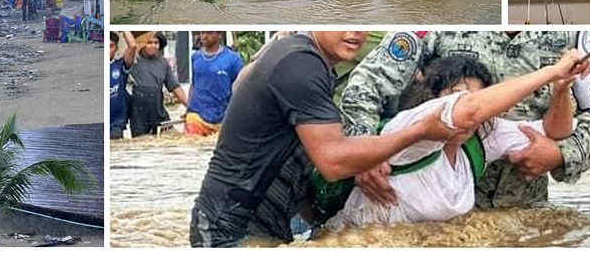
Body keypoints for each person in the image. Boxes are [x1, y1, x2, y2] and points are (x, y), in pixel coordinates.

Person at [190, 32, 466, 247]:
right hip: (229, 226)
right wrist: (418, 132)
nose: (354, 32)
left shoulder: (305, 59)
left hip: (262, 220)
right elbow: (333, 162)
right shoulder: (301, 63)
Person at [340, 31, 590, 209]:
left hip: (524, 206)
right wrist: (365, 152)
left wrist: (560, 154)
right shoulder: (439, 23)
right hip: (427, 201)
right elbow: (366, 85)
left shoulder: (573, 37)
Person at [322, 51, 589, 229]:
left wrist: (562, 87)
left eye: (477, 96)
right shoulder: (413, 125)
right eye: (456, 94)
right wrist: (552, 71)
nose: (470, 109)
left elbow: (555, 132)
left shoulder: (482, 136)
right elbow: (468, 110)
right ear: (434, 97)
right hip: (358, 238)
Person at [129, 33, 189, 136]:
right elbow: (132, 45)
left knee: (171, 139)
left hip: (158, 112)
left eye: (156, 43)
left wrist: (189, 107)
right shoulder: (133, 59)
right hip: (138, 115)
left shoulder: (163, 63)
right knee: (141, 144)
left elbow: (175, 87)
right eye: (149, 43)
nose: (153, 46)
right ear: (142, 43)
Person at [186, 32, 245, 136]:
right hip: (196, 116)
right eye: (202, 33)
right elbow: (194, 83)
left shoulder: (233, 59)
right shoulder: (196, 57)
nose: (204, 36)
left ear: (219, 35)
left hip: (223, 117)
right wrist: (188, 108)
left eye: (209, 33)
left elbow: (241, 88)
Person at [110, 31, 139, 139]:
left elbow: (133, 46)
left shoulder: (120, 65)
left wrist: (123, 30)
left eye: (111, 46)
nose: (108, 50)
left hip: (115, 125)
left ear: (116, 48)